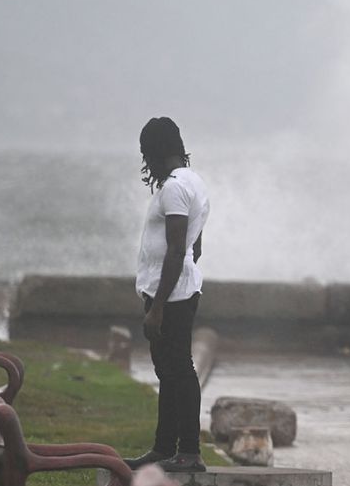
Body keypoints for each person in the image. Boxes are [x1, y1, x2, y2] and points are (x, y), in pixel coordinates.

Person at [124, 117, 210, 473]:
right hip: (179, 289)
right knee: (169, 371)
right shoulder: (194, 181)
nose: (147, 163)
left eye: (147, 154)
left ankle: (188, 450)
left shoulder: (174, 187)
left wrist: (157, 307)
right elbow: (195, 244)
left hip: (171, 295)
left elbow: (177, 250)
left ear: (157, 153)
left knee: (179, 370)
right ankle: (164, 449)